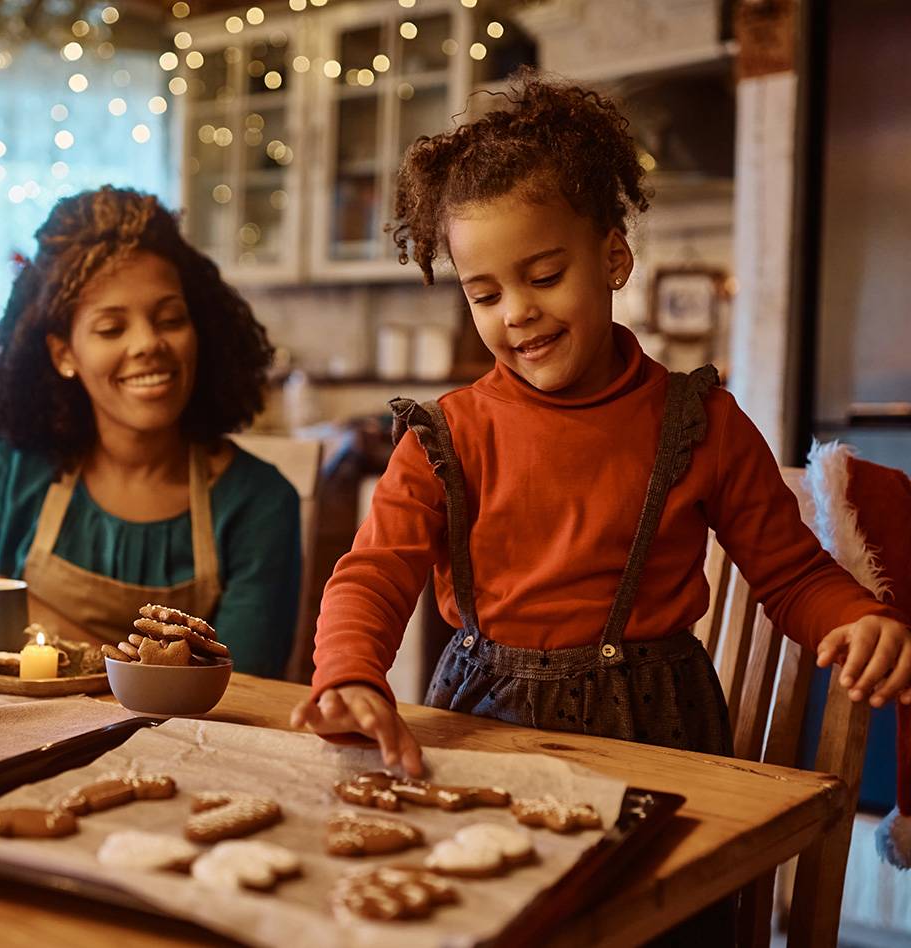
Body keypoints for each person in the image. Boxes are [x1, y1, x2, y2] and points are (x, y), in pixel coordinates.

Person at [291, 73, 911, 775]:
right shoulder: (445, 439)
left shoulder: (701, 421)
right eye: (486, 294)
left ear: (613, 259)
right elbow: (371, 577)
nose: (516, 311)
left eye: (545, 276)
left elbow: (793, 576)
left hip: (659, 737)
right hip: (487, 730)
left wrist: (858, 619)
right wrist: (348, 672)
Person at [0, 186, 301, 678]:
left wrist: (34, 618)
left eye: (170, 319)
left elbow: (244, 685)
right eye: (112, 329)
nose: (149, 343)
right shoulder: (9, 460)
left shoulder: (259, 502)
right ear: (64, 354)